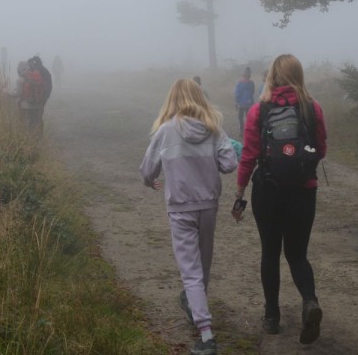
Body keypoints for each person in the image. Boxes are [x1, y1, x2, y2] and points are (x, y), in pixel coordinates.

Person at [232, 54, 327, 344]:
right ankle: (309, 301)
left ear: (271, 76)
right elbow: (321, 149)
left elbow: (248, 156)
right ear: (299, 75)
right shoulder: (312, 107)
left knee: (270, 252)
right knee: (297, 254)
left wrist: (239, 194)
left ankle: (272, 317)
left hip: (268, 191)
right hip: (303, 189)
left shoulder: (259, 110)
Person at [140, 79, 238, 355]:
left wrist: (151, 182)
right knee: (202, 267)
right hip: (208, 206)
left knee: (190, 271)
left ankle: (206, 336)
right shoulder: (214, 129)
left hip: (180, 207)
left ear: (172, 99)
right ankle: (194, 303)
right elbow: (229, 164)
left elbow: (147, 170)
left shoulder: (165, 131)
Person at [11, 60, 45, 134]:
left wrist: (7, 92)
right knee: (37, 124)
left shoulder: (20, 80)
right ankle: (39, 141)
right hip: (38, 105)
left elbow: (17, 93)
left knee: (27, 125)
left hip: (26, 107)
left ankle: (29, 142)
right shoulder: (37, 77)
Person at [233, 66, 255, 137]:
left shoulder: (239, 83)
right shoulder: (251, 83)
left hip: (241, 104)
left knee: (240, 117)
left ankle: (242, 131)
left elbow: (237, 94)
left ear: (243, 76)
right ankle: (248, 131)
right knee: (248, 117)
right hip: (249, 103)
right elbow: (252, 92)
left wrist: (236, 102)